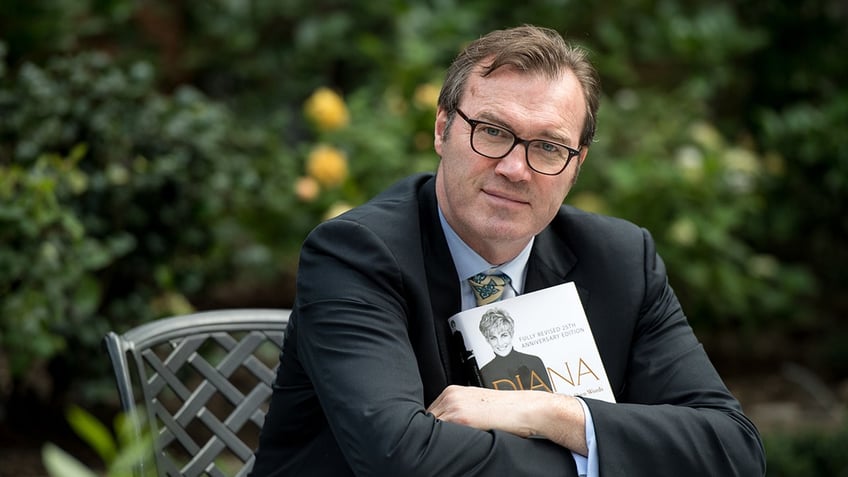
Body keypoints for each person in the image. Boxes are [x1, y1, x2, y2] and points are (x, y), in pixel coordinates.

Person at [251, 25, 765, 476]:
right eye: (493, 132)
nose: (515, 168)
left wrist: (553, 414)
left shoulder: (622, 259)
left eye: (548, 146)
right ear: (442, 128)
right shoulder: (356, 253)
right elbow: (401, 459)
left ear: (577, 163)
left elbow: (732, 450)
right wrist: (608, 458)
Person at [477, 308, 553, 391]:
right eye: (493, 338)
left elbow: (550, 398)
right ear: (487, 340)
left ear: (511, 334)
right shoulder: (484, 373)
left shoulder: (534, 361)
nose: (500, 343)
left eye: (504, 335)